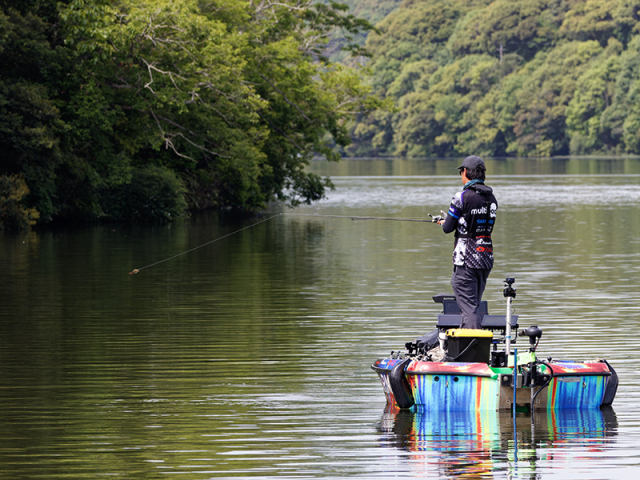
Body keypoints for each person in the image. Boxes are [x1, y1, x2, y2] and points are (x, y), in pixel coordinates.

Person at [436, 155, 498, 329]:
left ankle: (473, 348)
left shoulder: (461, 197)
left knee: (468, 308)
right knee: (472, 306)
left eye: (461, 172)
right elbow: (476, 222)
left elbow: (447, 228)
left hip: (466, 260)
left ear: (465, 172)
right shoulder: (491, 198)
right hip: (485, 258)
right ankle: (469, 344)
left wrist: (446, 221)